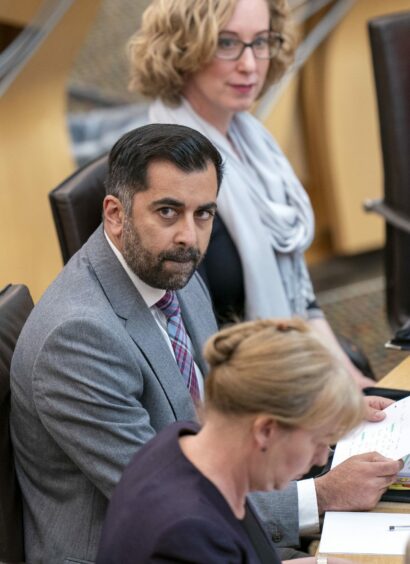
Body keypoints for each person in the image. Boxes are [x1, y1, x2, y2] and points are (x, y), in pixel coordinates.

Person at [10, 124, 400, 564]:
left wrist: (313, 417)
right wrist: (323, 495)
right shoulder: (77, 339)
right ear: (115, 214)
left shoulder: (170, 269)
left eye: (204, 214)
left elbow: (221, 408)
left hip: (212, 515)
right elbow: (161, 492)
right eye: (167, 212)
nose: (190, 236)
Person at [128, 0, 374, 389]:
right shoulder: (168, 175)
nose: (250, 64)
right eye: (227, 43)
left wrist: (352, 378)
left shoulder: (253, 144)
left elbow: (300, 296)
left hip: (293, 366)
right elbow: (191, 356)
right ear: (184, 49)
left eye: (260, 42)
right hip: (241, 393)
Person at [97, 318, 363, 564]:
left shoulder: (183, 444)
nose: (320, 457)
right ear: (266, 431)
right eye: (318, 441)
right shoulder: (186, 533)